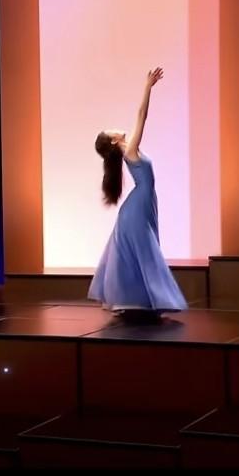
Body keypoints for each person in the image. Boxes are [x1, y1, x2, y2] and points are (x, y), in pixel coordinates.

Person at [87, 67, 187, 321]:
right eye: (111, 130)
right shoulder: (130, 149)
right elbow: (142, 115)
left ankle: (143, 300)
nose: (115, 128)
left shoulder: (130, 149)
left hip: (143, 202)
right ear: (113, 141)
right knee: (145, 251)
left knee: (142, 251)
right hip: (139, 204)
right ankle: (148, 299)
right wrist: (147, 86)